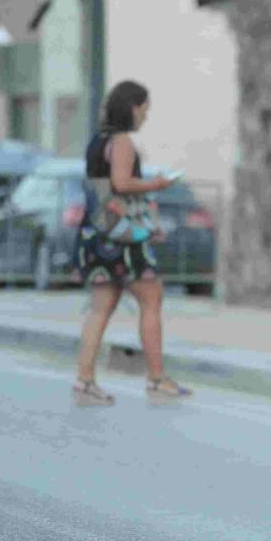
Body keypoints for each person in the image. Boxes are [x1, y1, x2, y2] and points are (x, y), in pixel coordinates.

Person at [73, 80, 191, 406]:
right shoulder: (122, 141)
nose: (146, 115)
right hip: (121, 239)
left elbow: (105, 188)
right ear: (132, 107)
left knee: (101, 308)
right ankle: (156, 378)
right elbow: (122, 184)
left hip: (96, 233)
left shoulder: (98, 141)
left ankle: (84, 381)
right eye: (145, 108)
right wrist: (159, 183)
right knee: (152, 297)